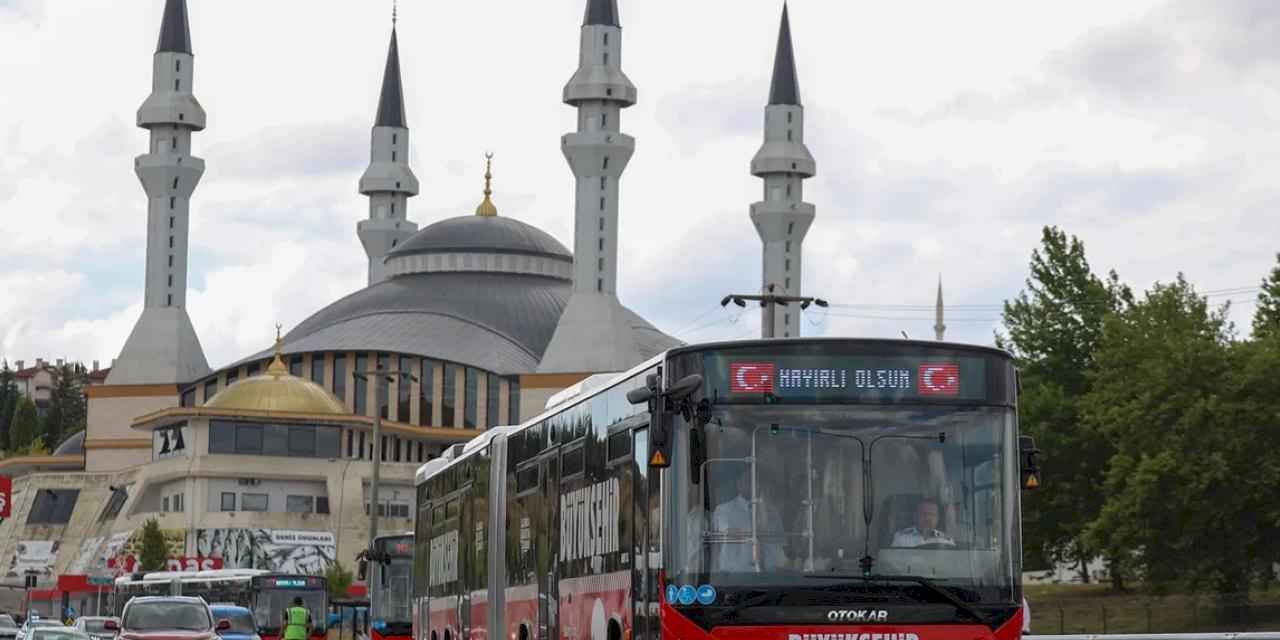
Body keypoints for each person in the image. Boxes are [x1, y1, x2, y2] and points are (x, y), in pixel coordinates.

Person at [710, 469, 786, 571]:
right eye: (748, 479)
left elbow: (779, 546)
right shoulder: (724, 510)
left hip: (769, 574)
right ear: (738, 483)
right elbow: (716, 547)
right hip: (735, 575)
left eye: (757, 480)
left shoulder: (772, 512)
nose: (753, 484)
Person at [890, 498, 956, 548]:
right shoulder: (901, 538)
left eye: (932, 514)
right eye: (923, 514)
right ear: (915, 516)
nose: (927, 518)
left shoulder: (946, 540)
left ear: (938, 518)